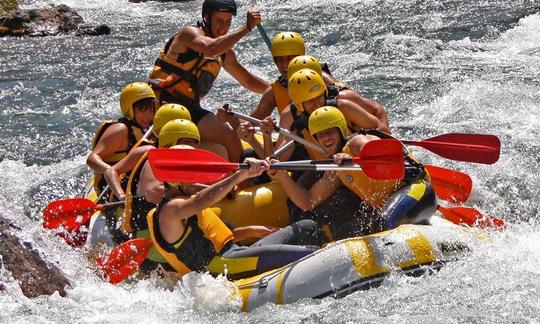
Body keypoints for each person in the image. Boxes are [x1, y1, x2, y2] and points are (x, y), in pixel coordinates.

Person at [147, 147, 326, 280]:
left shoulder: (182, 202)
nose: (198, 181)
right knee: (313, 255)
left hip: (235, 252)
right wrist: (241, 175)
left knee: (306, 227)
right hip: (223, 267)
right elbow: (201, 200)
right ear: (176, 181)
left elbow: (211, 240)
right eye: (192, 178)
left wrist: (250, 230)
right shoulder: (171, 211)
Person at [270, 106, 437, 239]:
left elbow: (376, 151)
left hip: (417, 191)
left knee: (382, 224)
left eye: (330, 131)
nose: (326, 138)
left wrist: (355, 158)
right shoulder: (336, 168)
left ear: (341, 130)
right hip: (391, 204)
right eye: (320, 135)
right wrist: (283, 177)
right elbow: (308, 201)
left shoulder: (357, 142)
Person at [147, 0, 268, 163]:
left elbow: (248, 81)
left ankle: (239, 182)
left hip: (190, 109)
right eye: (219, 21)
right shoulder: (188, 35)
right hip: (163, 106)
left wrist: (277, 89)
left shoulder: (225, 53)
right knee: (227, 133)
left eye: (228, 21)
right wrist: (246, 28)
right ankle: (242, 181)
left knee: (227, 137)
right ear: (206, 17)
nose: (223, 28)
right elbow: (210, 48)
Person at [261, 68, 387, 161]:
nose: (317, 104)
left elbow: (383, 130)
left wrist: (356, 148)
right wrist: (267, 136)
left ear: (325, 93)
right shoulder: (296, 121)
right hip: (325, 170)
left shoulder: (344, 107)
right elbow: (278, 161)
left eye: (319, 96)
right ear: (299, 104)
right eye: (310, 100)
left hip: (354, 163)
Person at [87, 82, 157, 199]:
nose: (148, 115)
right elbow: (92, 159)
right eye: (142, 110)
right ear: (129, 109)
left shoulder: (152, 128)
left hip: (137, 182)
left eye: (151, 109)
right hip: (113, 187)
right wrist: (109, 170)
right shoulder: (121, 130)